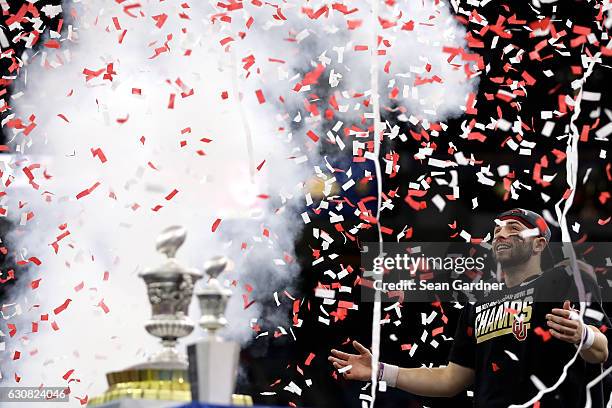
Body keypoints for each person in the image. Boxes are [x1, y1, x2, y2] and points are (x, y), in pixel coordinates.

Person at [329, 208, 610, 407]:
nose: (500, 235)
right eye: (497, 229)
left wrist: (584, 334)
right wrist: (381, 371)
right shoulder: (479, 303)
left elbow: (602, 350)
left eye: (514, 229)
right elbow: (451, 380)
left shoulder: (563, 277)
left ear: (538, 244)